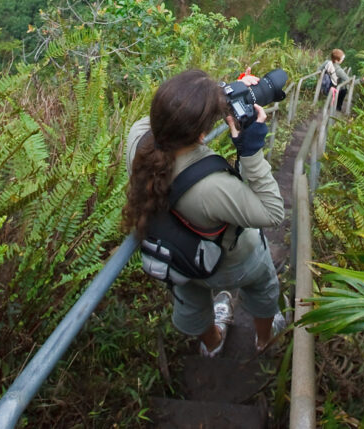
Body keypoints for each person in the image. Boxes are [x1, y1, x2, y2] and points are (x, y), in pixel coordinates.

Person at [123, 69, 288, 358]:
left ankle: (213, 344)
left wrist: (213, 95)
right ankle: (264, 339)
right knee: (262, 285)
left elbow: (166, 117)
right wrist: (250, 152)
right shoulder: (212, 187)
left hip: (179, 258)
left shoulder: (138, 138)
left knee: (190, 297)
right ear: (202, 133)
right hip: (233, 263)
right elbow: (273, 211)